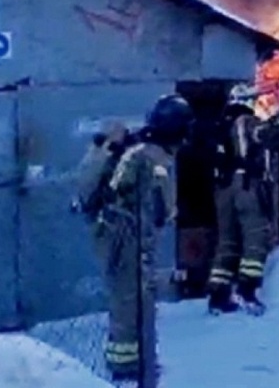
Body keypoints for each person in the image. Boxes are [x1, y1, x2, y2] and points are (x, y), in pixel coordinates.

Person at [87, 94, 191, 381]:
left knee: (127, 298)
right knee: (131, 300)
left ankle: (131, 362)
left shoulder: (136, 148)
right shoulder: (155, 157)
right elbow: (163, 209)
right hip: (127, 237)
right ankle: (128, 367)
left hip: (114, 231)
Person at [207, 84, 275, 315]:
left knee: (227, 241)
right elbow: (265, 135)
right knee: (255, 238)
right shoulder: (246, 121)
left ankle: (218, 294)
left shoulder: (219, 125)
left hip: (222, 189)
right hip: (246, 185)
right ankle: (248, 291)